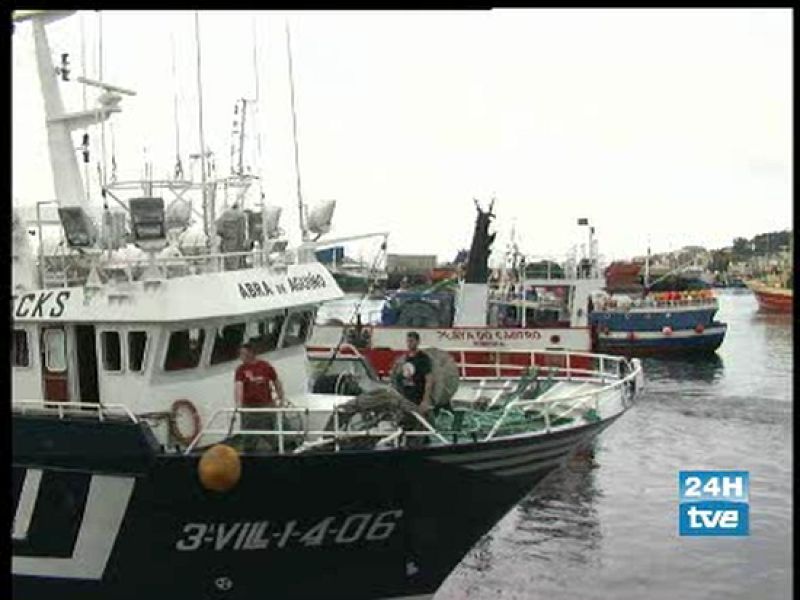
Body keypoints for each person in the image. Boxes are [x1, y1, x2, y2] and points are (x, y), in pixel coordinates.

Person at [234, 342, 285, 452]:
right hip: (248, 408)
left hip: (265, 406)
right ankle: (248, 453)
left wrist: (281, 398)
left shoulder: (265, 366)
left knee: (271, 433)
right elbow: (239, 386)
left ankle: (276, 450)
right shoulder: (240, 370)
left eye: (244, 354)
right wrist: (238, 405)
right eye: (241, 354)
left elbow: (276, 381)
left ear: (251, 354)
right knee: (248, 437)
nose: (241, 357)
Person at [395, 331, 434, 415]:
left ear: (418, 342)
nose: (409, 344)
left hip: (418, 397)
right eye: (408, 341)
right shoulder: (405, 358)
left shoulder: (423, 359)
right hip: (405, 397)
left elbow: (429, 380)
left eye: (411, 341)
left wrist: (425, 400)